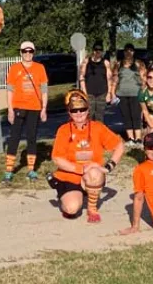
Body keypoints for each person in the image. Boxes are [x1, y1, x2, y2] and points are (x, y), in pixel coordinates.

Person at [50, 89, 124, 223]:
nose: (79, 113)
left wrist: (108, 167)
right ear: (69, 112)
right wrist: (80, 169)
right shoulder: (63, 130)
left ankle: (92, 208)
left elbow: (119, 145)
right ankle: (65, 193)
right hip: (70, 176)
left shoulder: (98, 127)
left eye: (82, 109)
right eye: (74, 110)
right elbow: (57, 158)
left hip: (91, 175)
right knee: (71, 209)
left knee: (95, 172)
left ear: (88, 109)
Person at [3, 41, 48, 183]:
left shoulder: (40, 68)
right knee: (14, 137)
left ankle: (31, 169)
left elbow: (44, 90)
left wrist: (44, 108)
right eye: (24, 51)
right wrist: (10, 109)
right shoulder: (14, 68)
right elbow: (10, 90)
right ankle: (9, 170)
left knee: (32, 137)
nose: (27, 54)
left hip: (34, 107)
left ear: (34, 52)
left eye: (30, 51)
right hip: (18, 107)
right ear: (20, 53)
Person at [111, 43, 146, 148]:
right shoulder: (119, 64)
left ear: (133, 52)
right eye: (126, 50)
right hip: (122, 94)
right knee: (126, 117)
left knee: (136, 116)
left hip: (136, 94)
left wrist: (144, 91)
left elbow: (144, 78)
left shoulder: (139, 63)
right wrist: (112, 93)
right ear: (124, 52)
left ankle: (138, 139)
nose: (128, 52)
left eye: (130, 50)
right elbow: (115, 79)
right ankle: (130, 139)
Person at [79, 40, 112, 122]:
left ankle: (99, 134)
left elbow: (109, 79)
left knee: (99, 117)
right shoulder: (86, 62)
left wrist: (109, 93)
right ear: (93, 51)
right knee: (89, 116)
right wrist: (84, 93)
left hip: (102, 94)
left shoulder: (105, 63)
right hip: (89, 93)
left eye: (100, 50)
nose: (97, 52)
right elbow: (81, 77)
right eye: (96, 50)